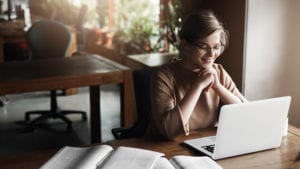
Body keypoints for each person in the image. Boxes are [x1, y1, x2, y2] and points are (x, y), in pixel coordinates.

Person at [147, 10, 247, 140]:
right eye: (203, 46)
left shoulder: (219, 72)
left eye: (216, 47)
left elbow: (245, 113)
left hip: (203, 144)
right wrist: (198, 85)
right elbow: (169, 130)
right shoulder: (163, 76)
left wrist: (217, 86)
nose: (211, 54)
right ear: (185, 45)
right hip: (165, 148)